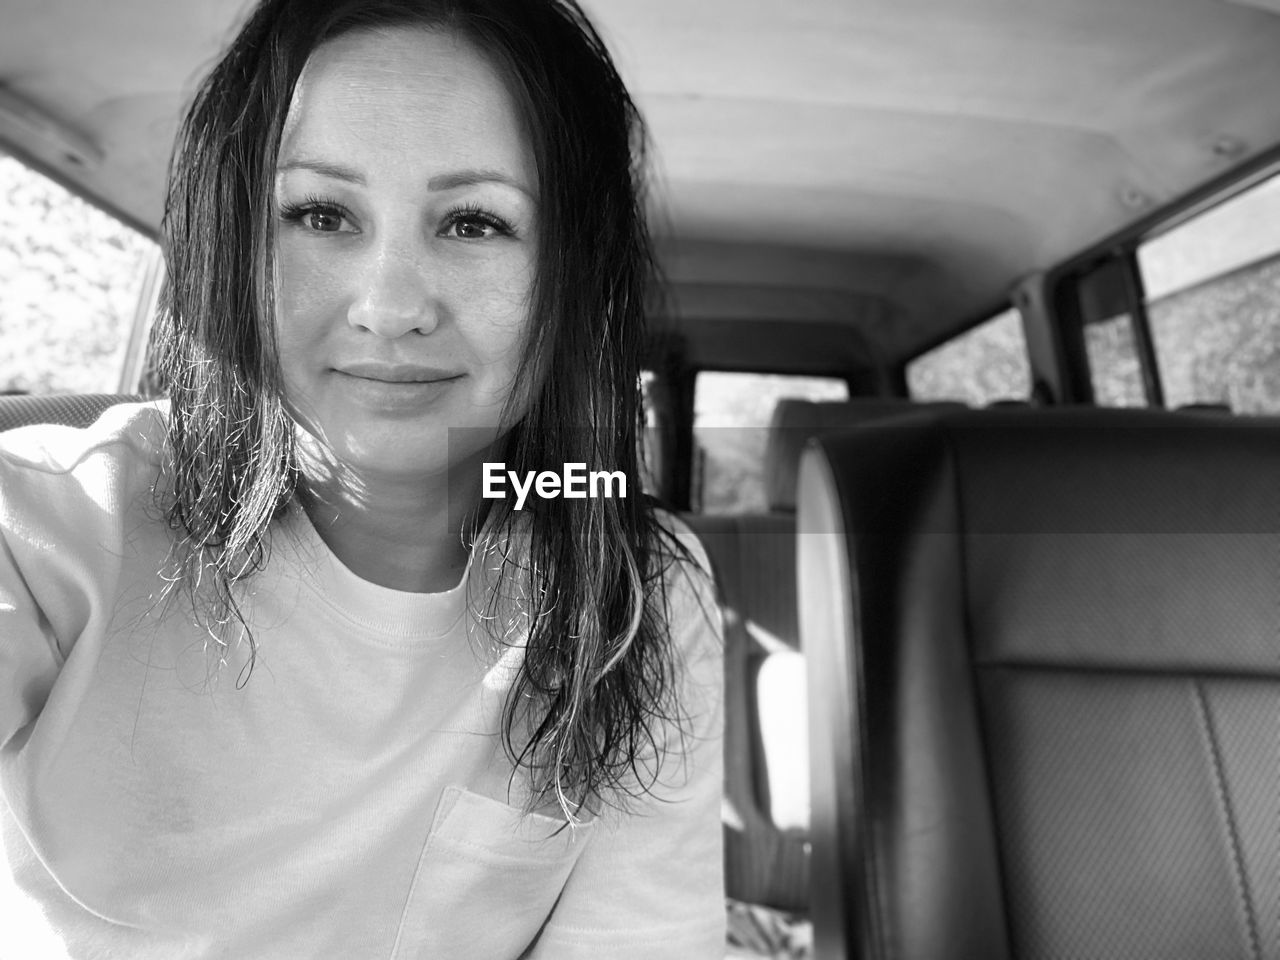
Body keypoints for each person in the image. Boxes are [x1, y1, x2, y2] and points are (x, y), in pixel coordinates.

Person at [0, 0, 724, 956]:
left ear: (572, 275)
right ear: (231, 249)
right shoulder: (52, 527)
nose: (389, 307)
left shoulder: (646, 598)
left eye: (474, 222)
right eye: (318, 213)